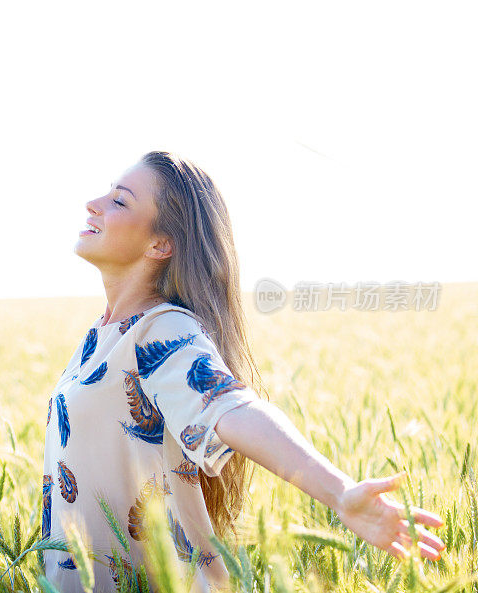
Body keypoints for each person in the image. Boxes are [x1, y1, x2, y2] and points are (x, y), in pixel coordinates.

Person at [40, 151, 445, 592]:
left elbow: (235, 409)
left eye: (119, 201)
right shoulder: (99, 337)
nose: (93, 204)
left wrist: (340, 493)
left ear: (160, 244)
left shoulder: (161, 328)